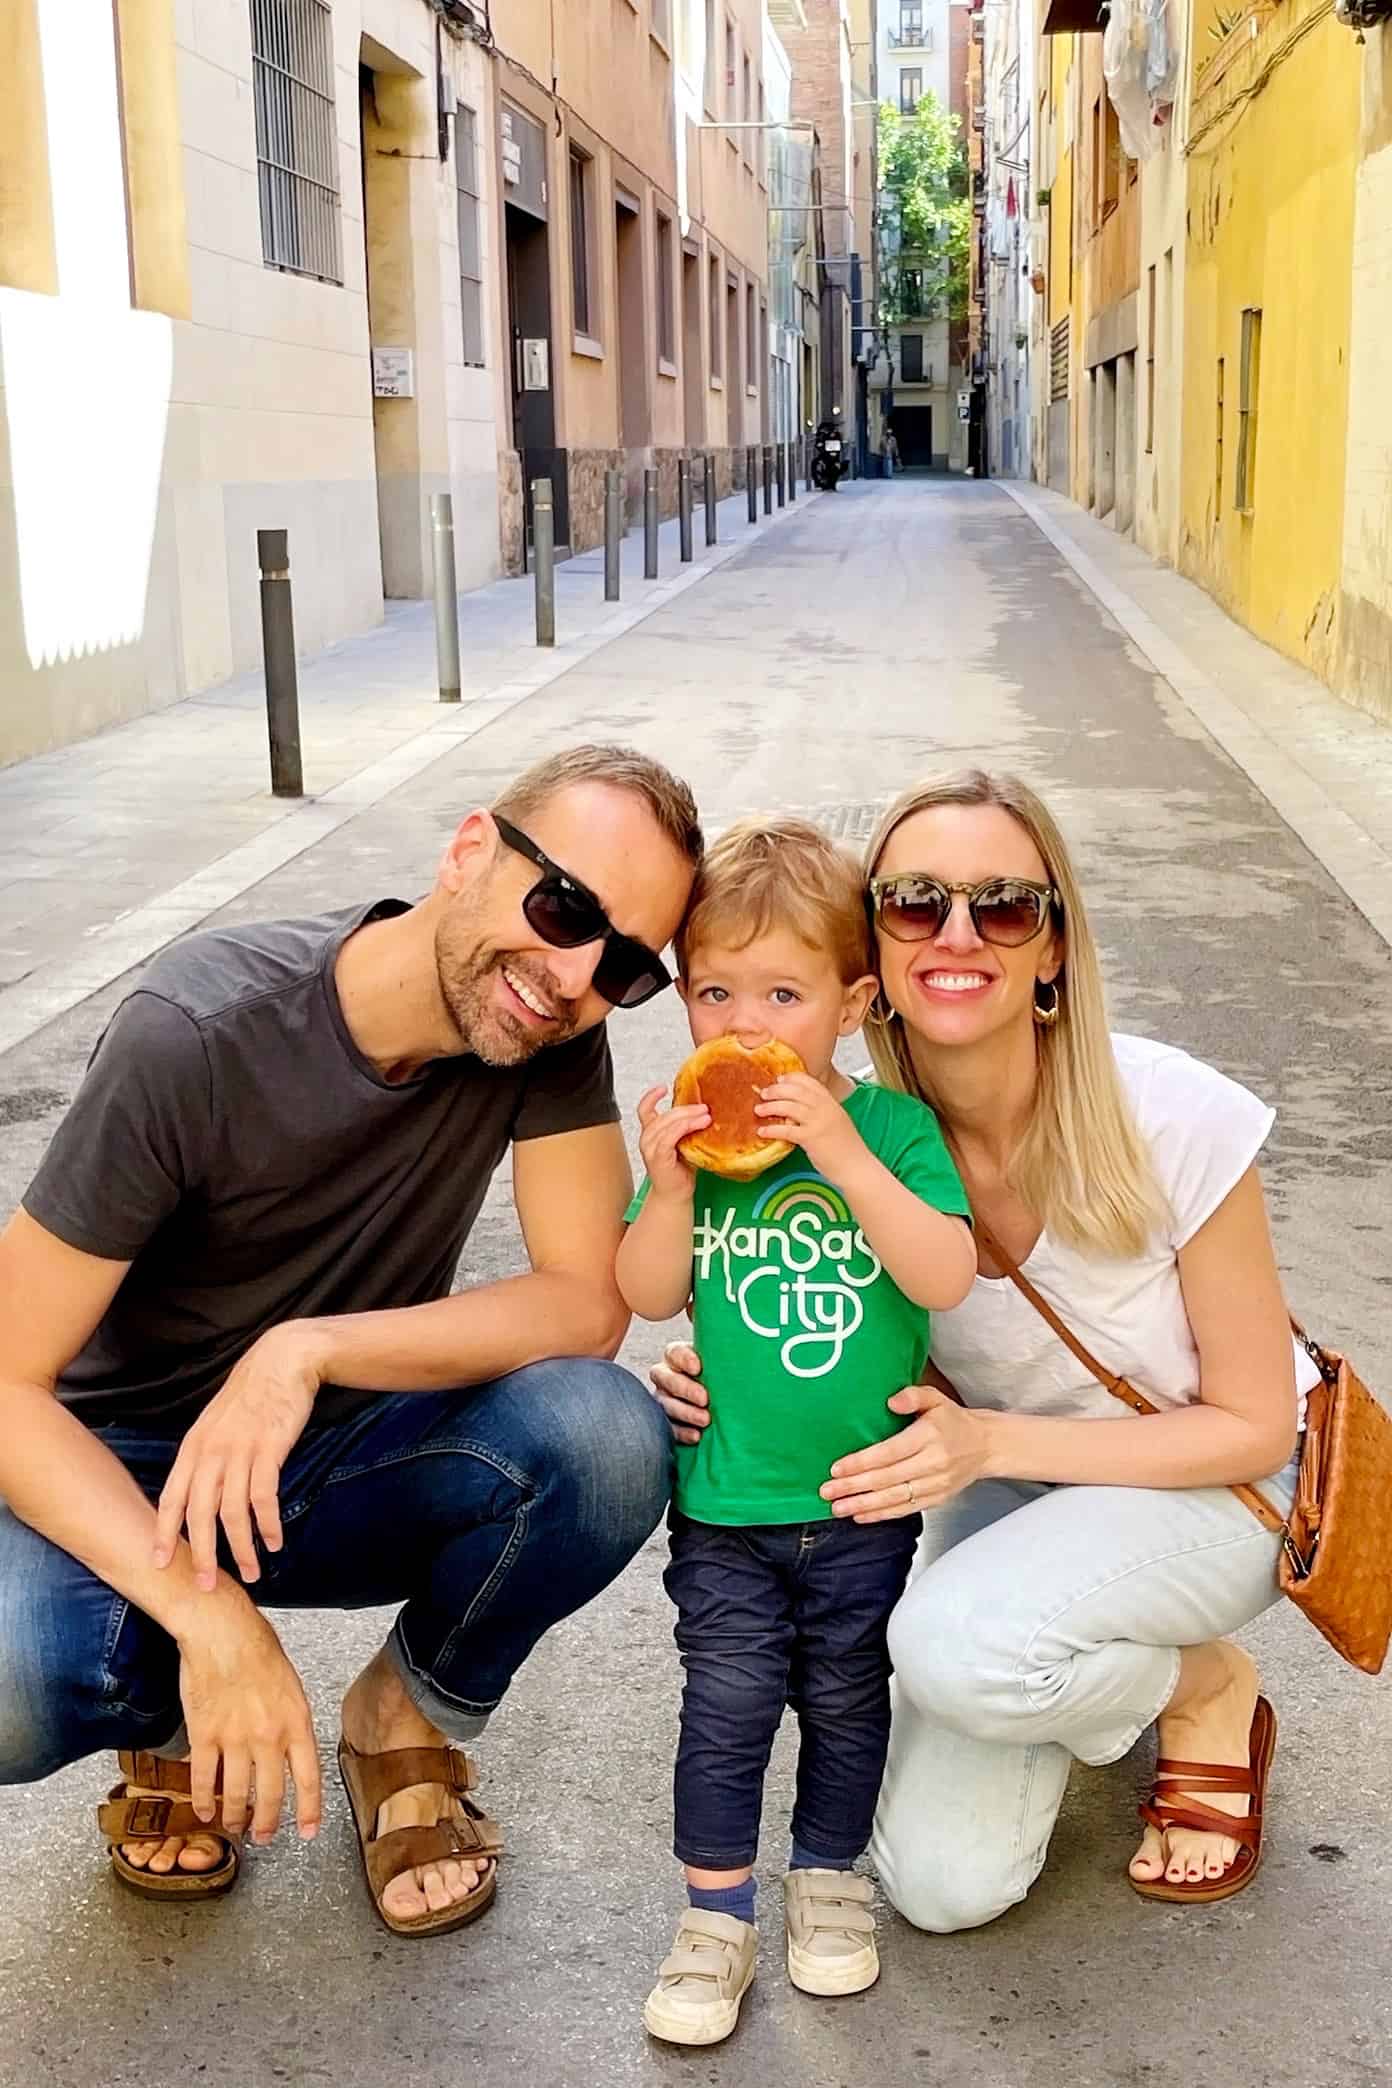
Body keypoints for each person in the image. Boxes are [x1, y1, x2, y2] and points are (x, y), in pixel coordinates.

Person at [0, 743, 700, 1939]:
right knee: (11, 1685)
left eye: (627, 966)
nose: (577, 974)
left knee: (608, 1433)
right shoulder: (196, 1033)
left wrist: (303, 1350)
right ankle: (168, 1719)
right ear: (471, 850)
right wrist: (209, 1619)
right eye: (564, 906)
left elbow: (585, 1300)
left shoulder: (546, 1029)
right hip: (127, 1470)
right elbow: (8, 1381)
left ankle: (400, 1720)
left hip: (342, 1458)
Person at [651, 768, 1317, 1931]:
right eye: (915, 902)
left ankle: (1202, 1684)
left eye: (1003, 906)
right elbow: (776, 1291)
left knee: (949, 1645)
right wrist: (731, 1365)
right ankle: (1091, 1646)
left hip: (1222, 1484)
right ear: (872, 969)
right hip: (1019, 1487)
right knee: (939, 1887)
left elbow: (1258, 1424)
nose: (957, 934)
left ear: (1053, 946)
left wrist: (987, 1442)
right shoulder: (845, 1134)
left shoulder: (1172, 1112)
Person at [619, 819, 974, 2043]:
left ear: (852, 1002)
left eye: (783, 992)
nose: (745, 1024)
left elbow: (942, 1273)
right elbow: (649, 1289)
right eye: (716, 993)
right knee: (722, 1708)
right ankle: (712, 1921)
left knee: (846, 1696)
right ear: (684, 1001)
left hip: (863, 1502)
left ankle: (829, 1885)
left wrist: (838, 1145)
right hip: (724, 1503)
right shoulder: (690, 1138)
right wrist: (667, 1186)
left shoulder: (891, 1133)